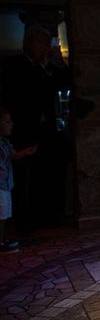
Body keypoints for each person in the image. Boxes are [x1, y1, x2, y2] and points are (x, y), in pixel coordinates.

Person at [0, 26, 72, 235]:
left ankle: (47, 217)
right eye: (40, 44)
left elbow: (66, 83)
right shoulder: (14, 65)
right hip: (22, 132)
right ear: (28, 45)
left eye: (46, 44)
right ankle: (23, 222)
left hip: (46, 133)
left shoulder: (48, 68)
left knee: (47, 175)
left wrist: (57, 63)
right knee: (23, 180)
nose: (44, 49)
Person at [0, 106, 37, 251]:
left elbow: (13, 156)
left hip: (6, 183)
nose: (11, 124)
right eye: (7, 122)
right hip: (0, 183)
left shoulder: (5, 142)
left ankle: (2, 239)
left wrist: (26, 152)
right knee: (1, 213)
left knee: (5, 212)